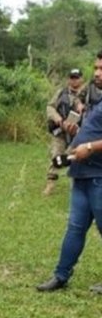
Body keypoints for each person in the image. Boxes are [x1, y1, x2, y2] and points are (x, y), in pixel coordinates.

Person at [36, 69, 102, 294]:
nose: (97, 73)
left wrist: (91, 147)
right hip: (81, 174)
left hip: (99, 176)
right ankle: (61, 275)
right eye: (96, 68)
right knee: (74, 228)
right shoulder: (91, 100)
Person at [42, 68, 84, 196]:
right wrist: (58, 119)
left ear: (81, 79)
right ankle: (50, 183)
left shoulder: (87, 94)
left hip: (78, 134)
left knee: (73, 158)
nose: (74, 80)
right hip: (60, 131)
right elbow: (50, 107)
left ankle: (75, 187)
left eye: (76, 77)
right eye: (72, 77)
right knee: (56, 156)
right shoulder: (61, 92)